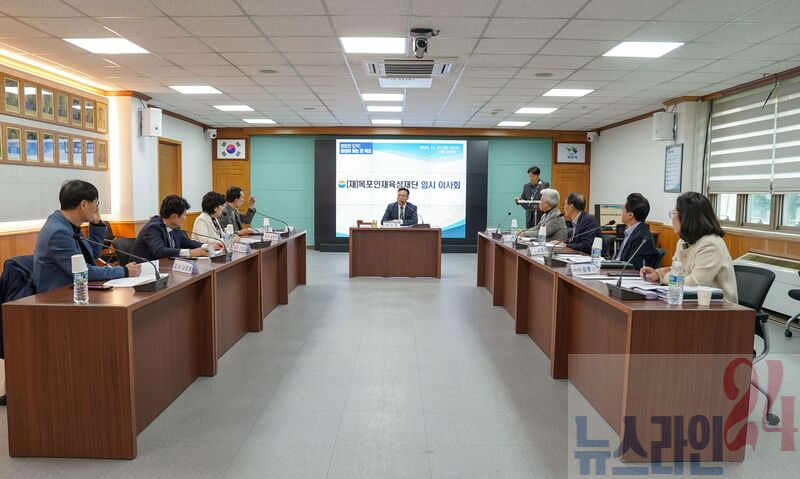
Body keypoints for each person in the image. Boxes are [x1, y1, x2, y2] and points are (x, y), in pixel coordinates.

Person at [33, 180, 141, 293]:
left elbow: (93, 255)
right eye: (96, 203)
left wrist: (96, 224)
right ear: (84, 204)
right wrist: (124, 271)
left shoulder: (68, 224)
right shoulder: (58, 232)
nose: (97, 208)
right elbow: (82, 272)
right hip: (57, 296)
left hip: (76, 290)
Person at [640, 192, 738, 303]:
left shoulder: (711, 244)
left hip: (720, 307)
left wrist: (665, 277)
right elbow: (676, 270)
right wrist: (658, 274)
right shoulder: (684, 241)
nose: (672, 218)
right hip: (693, 302)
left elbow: (695, 283)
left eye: (674, 213)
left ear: (686, 217)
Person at [132, 195, 223, 261]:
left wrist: (207, 246)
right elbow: (160, 251)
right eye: (184, 215)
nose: (185, 218)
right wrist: (190, 252)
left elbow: (187, 242)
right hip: (143, 271)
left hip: (166, 267)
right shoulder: (153, 227)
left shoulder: (174, 226)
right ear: (174, 216)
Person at [615, 193, 660, 267]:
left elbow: (632, 267)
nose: (621, 212)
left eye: (623, 209)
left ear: (630, 215)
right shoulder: (632, 232)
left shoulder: (641, 237)